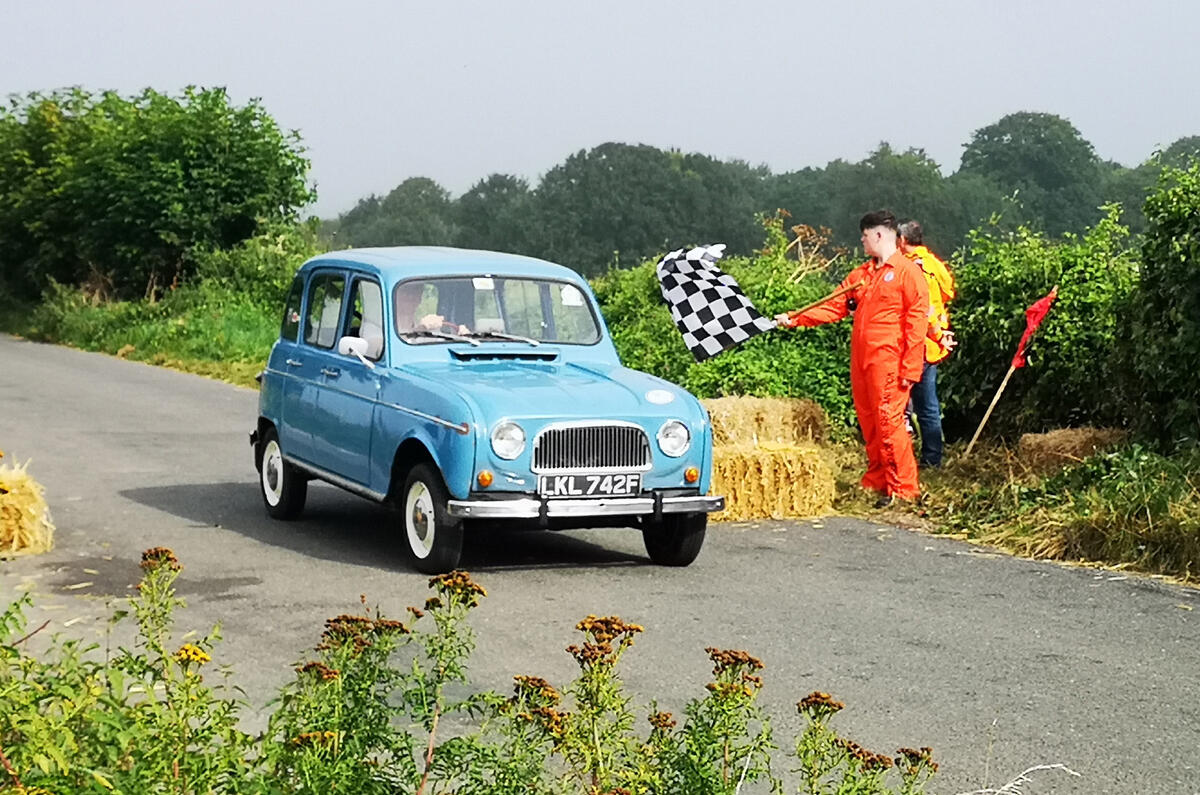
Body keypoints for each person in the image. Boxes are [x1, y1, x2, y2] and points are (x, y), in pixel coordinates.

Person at [774, 210, 929, 508]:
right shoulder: (861, 275)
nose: (862, 241)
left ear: (879, 235)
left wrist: (910, 367)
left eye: (865, 236)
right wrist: (795, 319)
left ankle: (902, 488)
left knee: (888, 422)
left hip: (889, 360)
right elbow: (833, 306)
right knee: (869, 421)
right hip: (862, 360)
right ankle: (876, 479)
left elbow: (916, 322)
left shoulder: (908, 273)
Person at [898, 220, 956, 467]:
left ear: (902, 241)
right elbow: (948, 294)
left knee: (904, 404)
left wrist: (934, 331)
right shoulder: (935, 264)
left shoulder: (913, 268)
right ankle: (932, 458)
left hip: (916, 341)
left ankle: (910, 459)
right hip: (931, 344)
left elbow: (924, 307)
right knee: (929, 405)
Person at [395, 281, 468, 334]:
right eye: (406, 292)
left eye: (416, 292)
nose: (411, 297)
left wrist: (462, 336)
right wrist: (422, 327)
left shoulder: (430, 330)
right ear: (395, 296)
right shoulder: (385, 327)